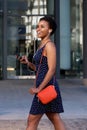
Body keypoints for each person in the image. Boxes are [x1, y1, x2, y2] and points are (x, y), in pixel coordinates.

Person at [20, 16, 66, 130]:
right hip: (45, 86)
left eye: (42, 27)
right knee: (54, 117)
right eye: (37, 27)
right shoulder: (41, 45)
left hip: (46, 87)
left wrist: (39, 89)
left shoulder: (49, 45)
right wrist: (29, 63)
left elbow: (52, 69)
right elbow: (40, 68)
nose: (38, 29)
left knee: (31, 121)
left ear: (50, 30)